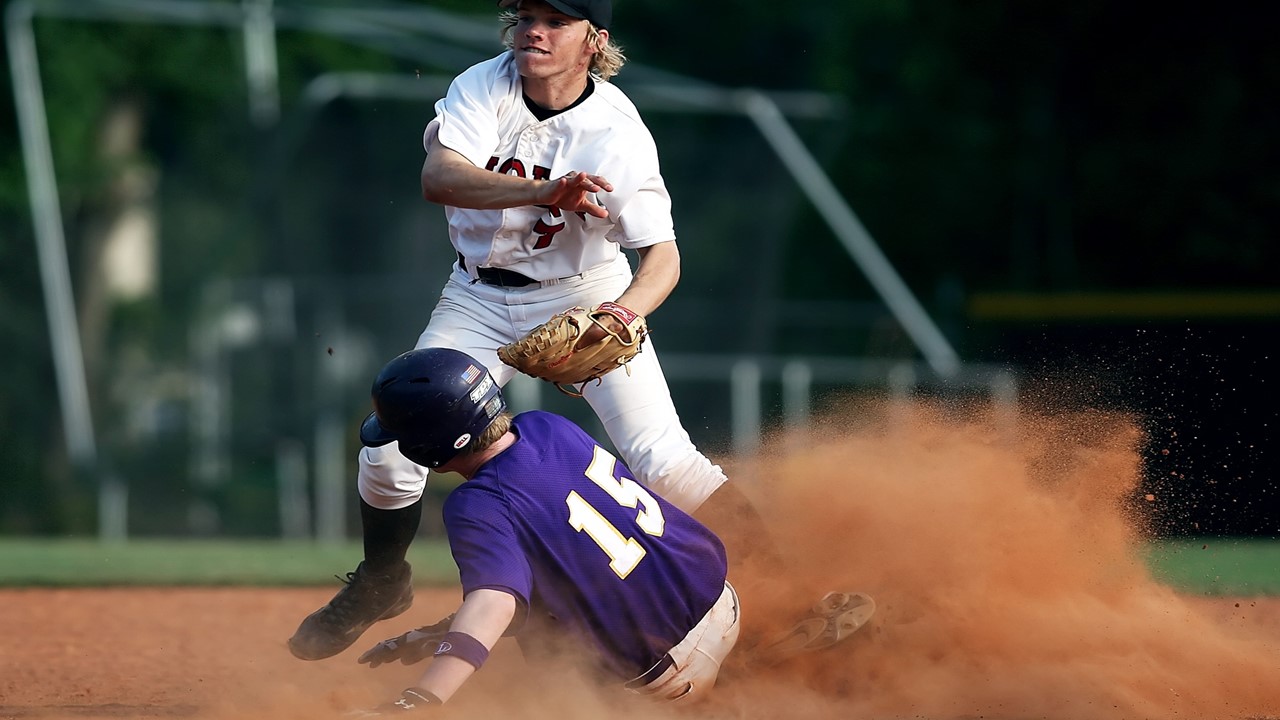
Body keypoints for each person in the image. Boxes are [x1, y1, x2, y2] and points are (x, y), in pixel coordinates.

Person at [288, 0, 781, 663]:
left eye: (556, 20)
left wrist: (621, 314)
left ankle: (788, 592)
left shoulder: (618, 134)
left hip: (584, 294)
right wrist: (545, 192)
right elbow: (439, 179)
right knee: (388, 448)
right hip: (476, 297)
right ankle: (381, 578)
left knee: (664, 458)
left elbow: (663, 260)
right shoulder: (482, 85)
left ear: (594, 42)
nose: (534, 30)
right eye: (526, 17)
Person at [345, 348, 741, 714]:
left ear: (426, 446)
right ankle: (756, 662)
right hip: (725, 603)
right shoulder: (547, 426)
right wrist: (440, 632)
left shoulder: (476, 503)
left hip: (667, 672)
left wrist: (421, 699)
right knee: (542, 586)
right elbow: (570, 558)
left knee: (546, 658)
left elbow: (495, 603)